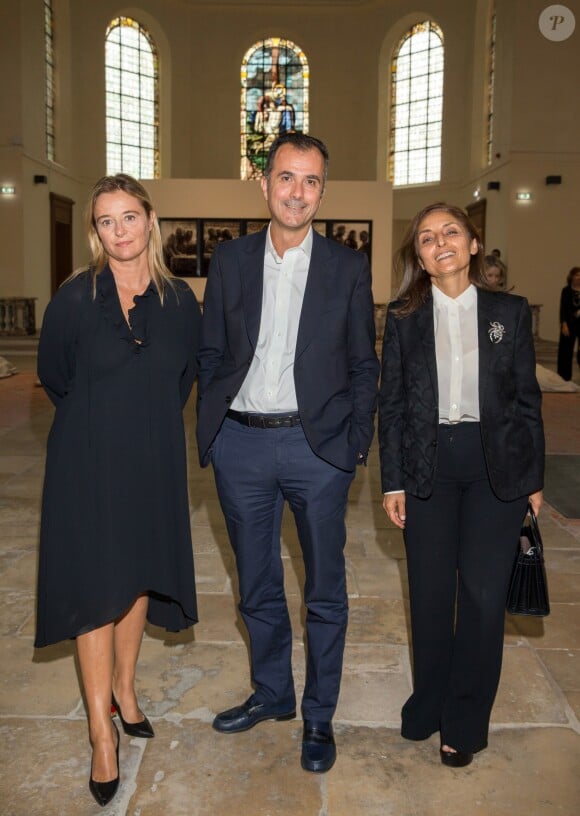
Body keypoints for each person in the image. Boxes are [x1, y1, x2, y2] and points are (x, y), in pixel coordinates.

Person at [196, 133, 379, 773]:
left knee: (324, 592)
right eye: (286, 178)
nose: (297, 192)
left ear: (322, 190)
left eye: (310, 181)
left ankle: (319, 717)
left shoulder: (348, 267)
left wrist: (351, 447)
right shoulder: (231, 258)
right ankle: (273, 694)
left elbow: (363, 364)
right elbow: (212, 349)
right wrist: (215, 432)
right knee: (256, 587)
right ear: (264, 182)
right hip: (241, 443)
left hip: (317, 448)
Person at [35, 174, 201, 806]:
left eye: (130, 217)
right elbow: (54, 376)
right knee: (93, 591)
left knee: (135, 578)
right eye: (107, 221)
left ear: (151, 221)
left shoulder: (181, 300)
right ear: (95, 232)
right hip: (87, 462)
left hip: (152, 462)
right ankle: (101, 734)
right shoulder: (74, 300)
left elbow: (183, 377)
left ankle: (126, 690)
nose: (120, 230)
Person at [379, 202, 544, 769]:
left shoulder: (509, 312)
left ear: (473, 245)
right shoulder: (402, 319)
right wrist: (392, 480)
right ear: (420, 257)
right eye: (427, 237)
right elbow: (393, 405)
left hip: (494, 469)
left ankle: (465, 721)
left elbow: (527, 400)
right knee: (428, 597)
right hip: (428, 469)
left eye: (451, 232)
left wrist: (533, 478)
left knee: (479, 599)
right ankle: (428, 702)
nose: (440, 242)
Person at [556, 266, 580, 381]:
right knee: (566, 351)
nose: (578, 277)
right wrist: (563, 324)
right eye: (576, 275)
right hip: (569, 324)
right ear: (571, 276)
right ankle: (564, 377)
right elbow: (563, 309)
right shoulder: (566, 290)